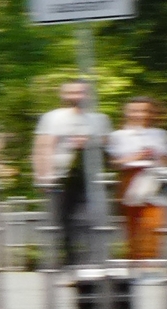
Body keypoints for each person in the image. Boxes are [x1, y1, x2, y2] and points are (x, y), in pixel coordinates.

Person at [32, 77, 110, 265]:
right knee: (63, 219)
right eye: (72, 92)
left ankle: (95, 259)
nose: (77, 96)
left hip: (89, 175)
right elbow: (43, 147)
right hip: (61, 176)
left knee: (94, 218)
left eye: (81, 91)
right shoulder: (53, 117)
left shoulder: (99, 119)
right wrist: (42, 176)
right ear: (64, 94)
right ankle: (69, 259)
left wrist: (89, 142)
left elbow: (108, 146)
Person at [108, 96, 167, 262]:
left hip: (155, 176)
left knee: (155, 219)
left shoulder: (161, 134)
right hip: (130, 176)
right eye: (136, 110)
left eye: (145, 110)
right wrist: (136, 156)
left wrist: (158, 155)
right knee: (133, 218)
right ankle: (135, 258)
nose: (141, 114)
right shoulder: (119, 135)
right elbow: (114, 163)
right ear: (127, 113)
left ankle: (151, 258)